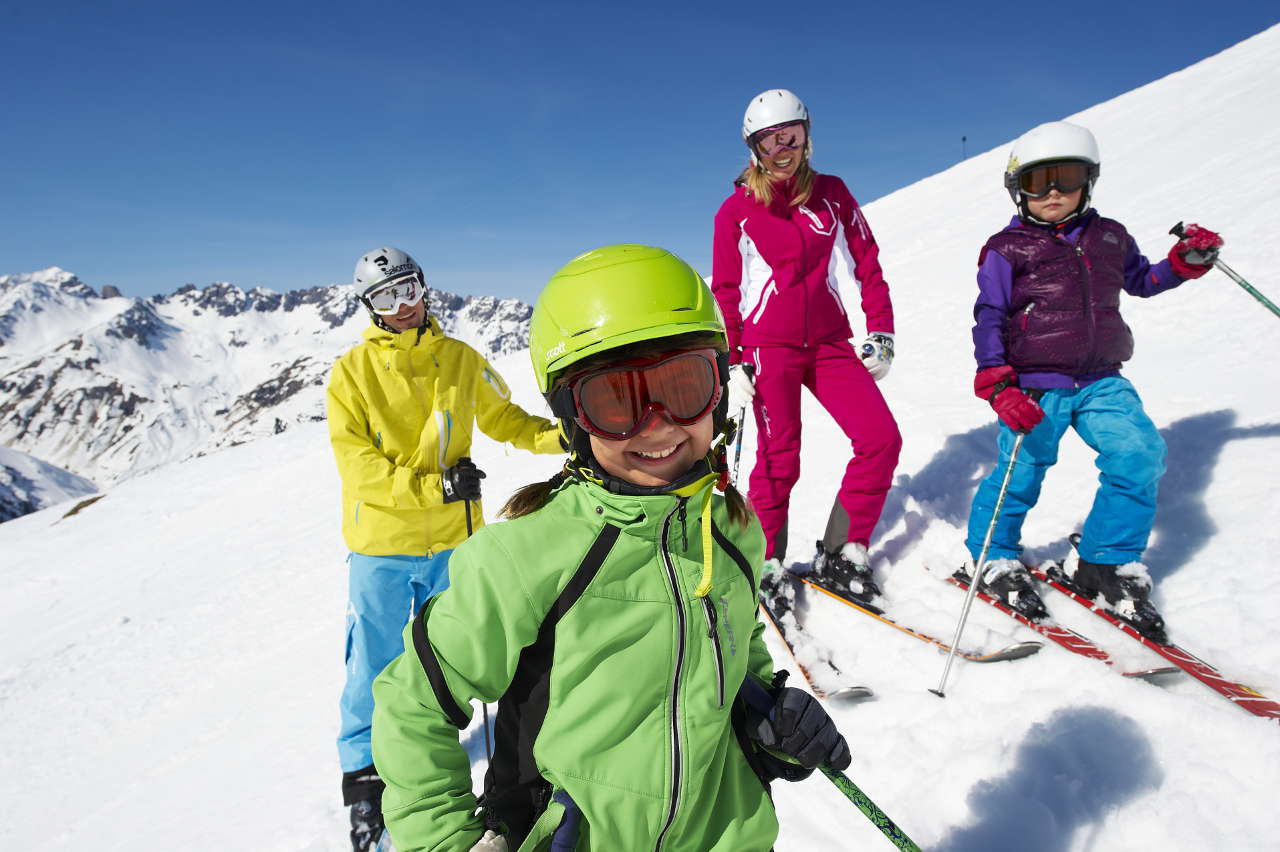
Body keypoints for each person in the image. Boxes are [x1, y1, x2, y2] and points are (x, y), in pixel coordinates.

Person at [370, 244, 851, 851]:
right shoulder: (528, 555)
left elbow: (732, 639)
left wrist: (764, 709)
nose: (657, 424)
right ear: (572, 417)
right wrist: (444, 841)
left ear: (719, 392)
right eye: (614, 401)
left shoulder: (731, 529)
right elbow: (412, 703)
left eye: (683, 386)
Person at [327, 246, 562, 851]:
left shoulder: (460, 360)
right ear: (369, 308)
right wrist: (435, 484)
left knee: (456, 651)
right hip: (381, 545)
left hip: (454, 540)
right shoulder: (351, 374)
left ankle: (450, 762)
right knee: (374, 661)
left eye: (408, 290)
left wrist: (565, 436)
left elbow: (506, 419)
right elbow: (359, 470)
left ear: (424, 289)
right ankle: (364, 777)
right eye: (385, 298)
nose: (402, 307)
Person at [964, 120, 1224, 642]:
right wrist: (997, 383)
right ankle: (993, 559)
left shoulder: (1110, 236)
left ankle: (1105, 561)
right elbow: (989, 314)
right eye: (1038, 182)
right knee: (1021, 471)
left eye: (1067, 177)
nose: (1053, 192)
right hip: (1036, 384)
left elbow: (1142, 280)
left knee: (1139, 455)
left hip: (1103, 379)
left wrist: (1182, 264)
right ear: (1019, 190)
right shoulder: (1006, 247)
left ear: (1090, 180)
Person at [711, 88, 902, 610]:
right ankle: (765, 561)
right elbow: (725, 291)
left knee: (881, 439)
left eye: (791, 136)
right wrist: (733, 358)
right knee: (779, 460)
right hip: (769, 348)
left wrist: (880, 329)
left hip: (829, 343)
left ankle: (842, 550)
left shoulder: (833, 194)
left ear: (807, 135)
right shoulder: (736, 211)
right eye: (769, 140)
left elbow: (867, 261)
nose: (782, 149)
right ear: (753, 148)